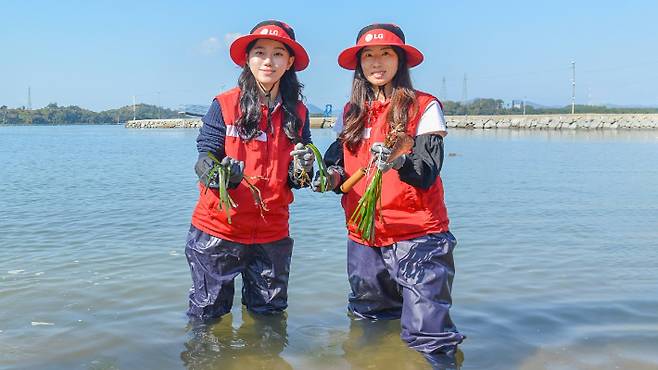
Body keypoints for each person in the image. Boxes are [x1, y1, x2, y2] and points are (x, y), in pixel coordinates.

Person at [314, 23, 464, 361]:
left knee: (430, 336)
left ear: (400, 60)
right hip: (363, 237)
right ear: (359, 63)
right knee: (369, 324)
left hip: (418, 237)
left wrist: (397, 161)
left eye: (386, 53)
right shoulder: (351, 112)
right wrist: (321, 176)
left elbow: (426, 172)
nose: (376, 62)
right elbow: (336, 168)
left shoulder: (424, 106)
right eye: (368, 55)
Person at [185, 20, 315, 320]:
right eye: (260, 52)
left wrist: (304, 170)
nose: (268, 61)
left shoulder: (298, 113)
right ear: (247, 58)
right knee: (208, 317)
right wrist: (219, 176)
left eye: (278, 54)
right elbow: (205, 154)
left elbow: (298, 175)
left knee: (269, 317)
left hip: (272, 232)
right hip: (219, 228)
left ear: (290, 62)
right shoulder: (224, 104)